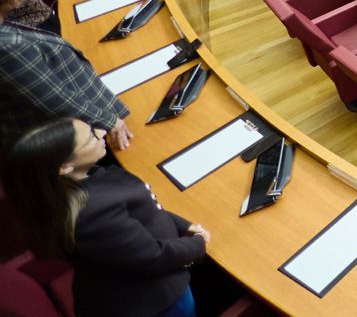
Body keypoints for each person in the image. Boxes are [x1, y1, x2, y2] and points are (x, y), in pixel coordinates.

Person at [1, 118, 209, 317]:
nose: (101, 132)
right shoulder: (92, 213)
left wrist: (185, 225)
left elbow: (146, 207)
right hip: (156, 302)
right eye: (91, 136)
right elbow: (153, 257)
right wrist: (198, 243)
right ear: (64, 167)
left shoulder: (78, 180)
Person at [0, 0, 131, 151]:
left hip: (82, 117)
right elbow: (54, 98)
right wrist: (108, 121)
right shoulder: (7, 47)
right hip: (72, 137)